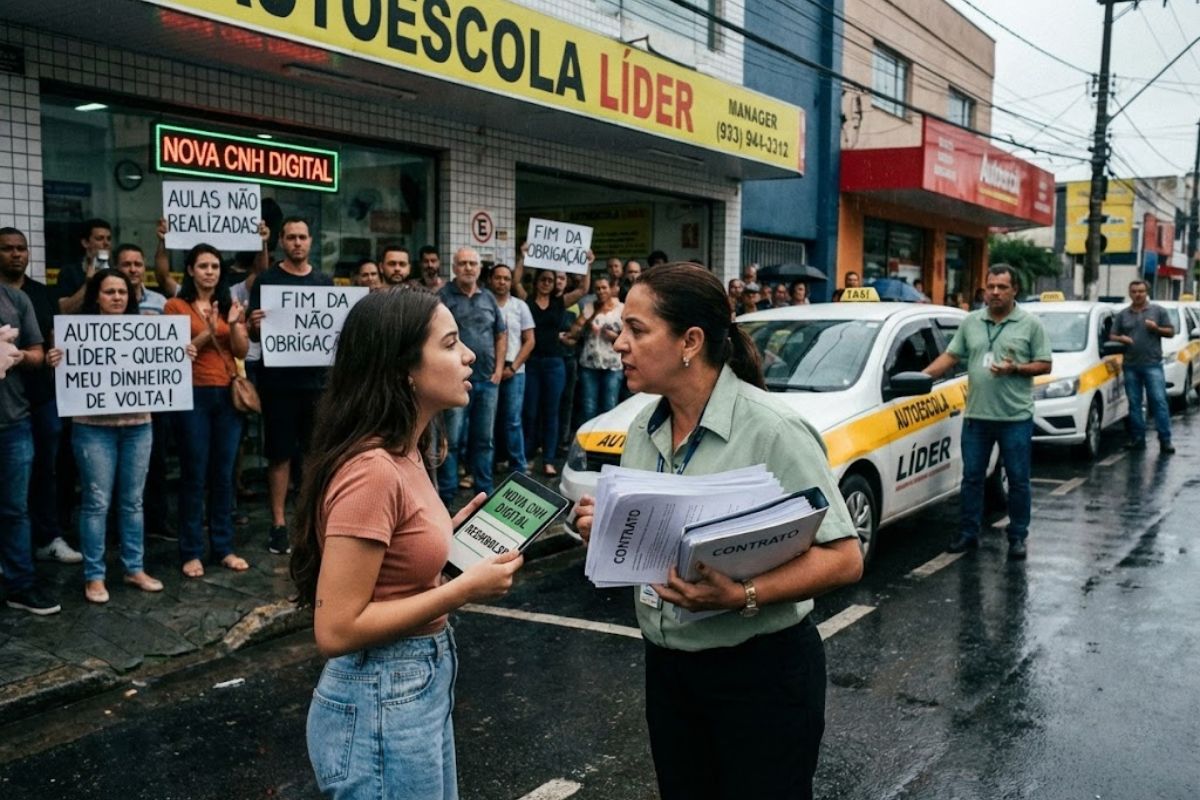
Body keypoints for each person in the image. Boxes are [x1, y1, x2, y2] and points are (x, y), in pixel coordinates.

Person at [572, 262, 862, 800]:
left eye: (637, 330)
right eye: (623, 329)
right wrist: (609, 533)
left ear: (691, 341)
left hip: (762, 677)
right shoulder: (643, 424)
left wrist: (742, 594)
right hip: (669, 670)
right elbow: (658, 539)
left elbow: (844, 557)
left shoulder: (773, 428)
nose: (620, 344)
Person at [291, 288, 523, 800]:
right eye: (450, 344)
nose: (469, 355)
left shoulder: (407, 451)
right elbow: (336, 629)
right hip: (381, 693)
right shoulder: (372, 470)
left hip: (415, 682)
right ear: (405, 370)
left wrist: (447, 550)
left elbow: (394, 574)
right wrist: (463, 591)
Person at [47, 269, 163, 603]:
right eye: (109, 291)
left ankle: (133, 567)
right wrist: (57, 359)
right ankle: (94, 576)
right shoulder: (74, 333)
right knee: (96, 502)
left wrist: (180, 355)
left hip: (138, 426)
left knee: (132, 502)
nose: (116, 297)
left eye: (122, 292)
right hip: (93, 429)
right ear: (96, 295)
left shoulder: (146, 331)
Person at [922, 264, 1051, 561]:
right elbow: (951, 355)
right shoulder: (971, 322)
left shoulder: (1030, 324)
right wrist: (923, 377)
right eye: (990, 286)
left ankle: (1018, 535)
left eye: (1002, 287)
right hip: (977, 417)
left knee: (1018, 480)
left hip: (1015, 418)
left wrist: (1016, 368)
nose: (994, 292)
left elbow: (1045, 364)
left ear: (1014, 290)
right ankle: (969, 533)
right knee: (972, 478)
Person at [165, 244, 252, 577]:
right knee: (194, 473)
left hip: (227, 396)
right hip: (192, 396)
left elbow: (241, 349)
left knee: (224, 474)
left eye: (215, 266)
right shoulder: (175, 306)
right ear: (190, 270)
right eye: (203, 266)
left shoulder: (231, 304)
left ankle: (224, 547)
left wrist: (233, 324)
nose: (210, 272)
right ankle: (190, 551)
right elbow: (175, 352)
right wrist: (208, 329)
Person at [248, 217, 334, 556]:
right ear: (281, 241)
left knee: (315, 455)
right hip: (279, 384)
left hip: (317, 384)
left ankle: (311, 519)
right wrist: (254, 326)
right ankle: (279, 524)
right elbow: (255, 337)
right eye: (291, 238)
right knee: (280, 454)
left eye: (302, 237)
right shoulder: (266, 280)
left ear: (310, 241)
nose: (297, 243)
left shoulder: (324, 282)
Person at [0, 228, 81, 564]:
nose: (16, 254)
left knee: (45, 470)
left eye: (21, 248)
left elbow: (50, 339)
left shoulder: (39, 294)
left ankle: (47, 537)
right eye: (7, 249)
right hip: (9, 403)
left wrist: (48, 355)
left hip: (43, 398)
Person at [0, 278, 59, 615]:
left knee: (14, 509)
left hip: (13, 421)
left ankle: (20, 585)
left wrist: (17, 355)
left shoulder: (15, 299)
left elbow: (38, 355)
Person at [513, 247, 591, 477]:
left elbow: (584, 289)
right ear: (537, 282)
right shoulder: (527, 301)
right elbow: (516, 281)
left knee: (551, 412)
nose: (548, 283)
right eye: (544, 279)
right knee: (530, 412)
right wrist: (522, 257)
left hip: (555, 364)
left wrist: (587, 263)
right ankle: (527, 456)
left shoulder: (561, 301)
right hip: (533, 363)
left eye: (551, 279)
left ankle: (549, 459)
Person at [436, 247, 506, 502]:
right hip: (455, 380)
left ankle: (484, 492)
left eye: (472, 264)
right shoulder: (443, 297)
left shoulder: (488, 298)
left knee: (484, 440)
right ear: (454, 267)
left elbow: (501, 333)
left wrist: (499, 369)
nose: (468, 268)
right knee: (452, 441)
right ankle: (447, 495)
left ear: (479, 268)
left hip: (487, 380)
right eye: (463, 263)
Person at [1111, 280, 1175, 453]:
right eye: (1134, 291)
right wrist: (1121, 339)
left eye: (1141, 291)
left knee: (1159, 402)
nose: (1138, 294)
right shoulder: (1123, 314)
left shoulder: (1158, 311)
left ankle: (1165, 440)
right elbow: (1112, 335)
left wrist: (1156, 328)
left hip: (1152, 364)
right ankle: (1138, 438)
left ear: (1147, 292)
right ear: (1129, 293)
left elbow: (1170, 332)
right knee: (1134, 403)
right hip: (1130, 365)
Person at [489, 263, 535, 474]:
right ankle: (493, 462)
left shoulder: (520, 306)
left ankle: (518, 465)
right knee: (489, 422)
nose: (502, 282)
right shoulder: (485, 303)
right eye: (498, 278)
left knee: (512, 421)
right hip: (488, 370)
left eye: (506, 278)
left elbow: (529, 340)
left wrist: (514, 366)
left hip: (515, 371)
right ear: (491, 280)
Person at [572, 275, 624, 423]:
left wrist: (614, 336)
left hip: (613, 364)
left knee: (609, 406)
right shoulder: (590, 307)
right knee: (589, 408)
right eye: (597, 288)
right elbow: (575, 328)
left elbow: (630, 337)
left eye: (604, 288)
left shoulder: (621, 309)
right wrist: (587, 321)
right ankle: (589, 446)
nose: (601, 291)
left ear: (611, 289)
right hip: (590, 363)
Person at [57, 218, 112, 314]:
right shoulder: (70, 272)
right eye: (100, 238)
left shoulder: (116, 272)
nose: (106, 243)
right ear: (85, 243)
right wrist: (89, 284)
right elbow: (64, 310)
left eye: (108, 239)